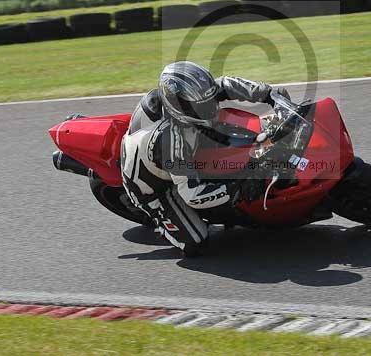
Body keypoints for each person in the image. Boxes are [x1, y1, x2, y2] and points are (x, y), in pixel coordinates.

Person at [120, 61, 289, 255]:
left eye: (208, 101)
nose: (210, 108)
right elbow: (191, 194)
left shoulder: (189, 99)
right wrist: (237, 187)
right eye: (200, 106)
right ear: (180, 107)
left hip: (175, 146)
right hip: (151, 185)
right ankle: (160, 218)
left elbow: (225, 85)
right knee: (196, 242)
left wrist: (269, 94)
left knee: (242, 137)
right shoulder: (171, 141)